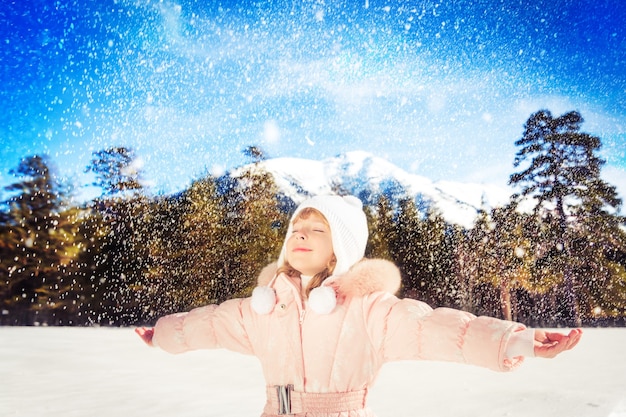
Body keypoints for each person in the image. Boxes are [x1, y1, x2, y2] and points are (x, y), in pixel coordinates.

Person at [136, 195, 582, 416]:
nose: (301, 235)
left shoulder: (369, 310)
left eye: (317, 229)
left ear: (340, 252)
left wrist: (517, 340)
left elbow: (438, 332)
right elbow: (211, 325)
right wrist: (166, 335)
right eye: (296, 228)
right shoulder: (267, 306)